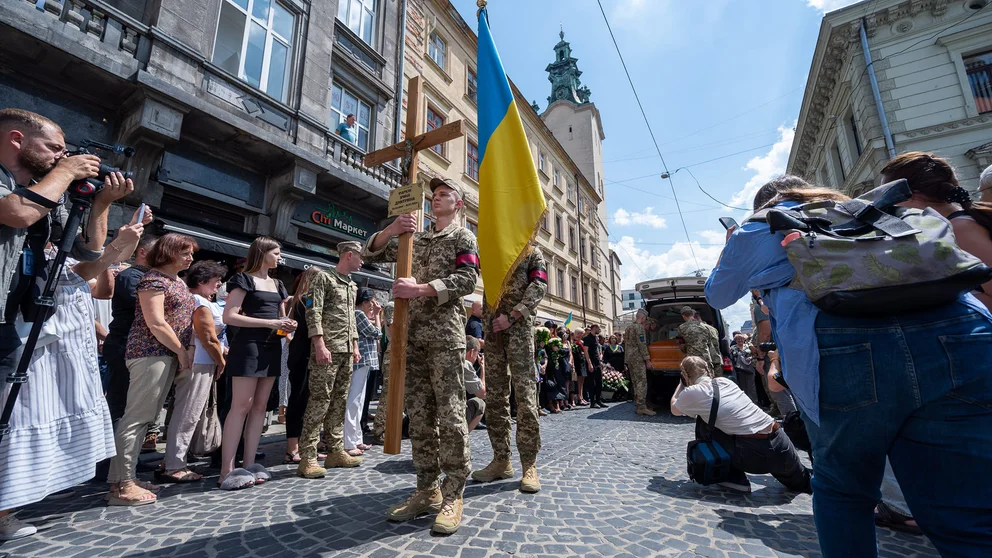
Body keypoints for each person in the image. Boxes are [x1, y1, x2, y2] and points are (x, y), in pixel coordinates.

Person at [705, 174, 992, 557]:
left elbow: (717, 294)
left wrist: (732, 245)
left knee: (844, 488)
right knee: (963, 509)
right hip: (962, 334)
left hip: (846, 348)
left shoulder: (760, 227)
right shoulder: (873, 208)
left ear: (765, 203)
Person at [0, 210, 144, 539]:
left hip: (65, 352)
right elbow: (84, 272)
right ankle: (4, 510)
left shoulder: (65, 257)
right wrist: (114, 244)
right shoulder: (36, 254)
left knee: (42, 420)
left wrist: (115, 249)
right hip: (39, 352)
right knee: (20, 420)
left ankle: (25, 496)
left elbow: (101, 288)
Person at [363, 177, 480, 534]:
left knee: (451, 414)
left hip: (444, 336)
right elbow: (374, 253)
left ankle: (453, 493)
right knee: (420, 417)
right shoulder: (416, 237)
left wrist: (420, 289)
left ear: (457, 205)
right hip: (410, 336)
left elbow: (467, 278)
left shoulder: (463, 237)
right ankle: (426, 488)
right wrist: (393, 228)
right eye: (434, 195)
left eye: (445, 195)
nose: (437, 199)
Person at [107, 233, 197, 505]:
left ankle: (125, 479)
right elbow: (156, 322)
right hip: (150, 354)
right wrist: (181, 351)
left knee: (144, 418)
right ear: (169, 252)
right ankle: (122, 484)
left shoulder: (175, 281)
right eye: (186, 252)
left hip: (163, 355)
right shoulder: (153, 280)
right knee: (135, 418)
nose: (191, 258)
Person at [672, 356, 811, 494]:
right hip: (779, 440)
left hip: (753, 452)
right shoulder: (725, 382)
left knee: (704, 422)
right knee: (807, 483)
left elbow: (674, 408)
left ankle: (733, 478)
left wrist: (681, 384)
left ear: (685, 374)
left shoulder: (692, 392)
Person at [219, 237, 295, 490]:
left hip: (272, 346)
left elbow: (280, 318)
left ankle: (250, 464)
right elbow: (229, 316)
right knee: (241, 406)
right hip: (248, 346)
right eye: (276, 252)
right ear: (262, 253)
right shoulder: (242, 279)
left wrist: (287, 326)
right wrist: (271, 324)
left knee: (260, 407)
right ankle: (226, 471)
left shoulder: (277, 283)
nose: (279, 257)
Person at [471, 246, 547, 492]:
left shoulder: (532, 252)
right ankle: (501, 459)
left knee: (525, 397)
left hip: (519, 331)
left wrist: (513, 316)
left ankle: (529, 465)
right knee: (495, 398)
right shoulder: (493, 247)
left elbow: (539, 286)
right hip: (493, 331)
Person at [881, 152, 992, 310]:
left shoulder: (960, 229)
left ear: (913, 195)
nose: (888, 207)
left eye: (889, 197)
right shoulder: (958, 223)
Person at [296, 242, 364, 478]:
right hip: (327, 350)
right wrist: (319, 344)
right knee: (320, 401)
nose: (362, 261)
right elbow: (313, 311)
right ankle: (308, 457)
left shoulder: (352, 285)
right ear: (348, 255)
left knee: (339, 401)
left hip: (345, 350)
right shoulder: (324, 279)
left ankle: (335, 450)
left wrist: (354, 344)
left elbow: (351, 319)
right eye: (359, 257)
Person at [158, 261, 228, 483]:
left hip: (196, 360)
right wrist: (221, 360)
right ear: (202, 281)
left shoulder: (196, 300)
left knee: (185, 412)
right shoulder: (198, 302)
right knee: (188, 413)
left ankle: (173, 460)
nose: (218, 285)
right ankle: (174, 464)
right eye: (215, 281)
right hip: (199, 361)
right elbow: (207, 336)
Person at [283, 266, 322, 465]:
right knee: (299, 400)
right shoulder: (307, 299)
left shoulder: (300, 299)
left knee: (306, 400)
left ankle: (304, 444)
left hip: (302, 352)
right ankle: (292, 448)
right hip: (304, 354)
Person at [344, 288, 381, 456]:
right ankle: (349, 440)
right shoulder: (359, 314)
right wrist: (378, 317)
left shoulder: (360, 315)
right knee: (354, 401)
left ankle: (356, 438)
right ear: (365, 302)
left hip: (364, 362)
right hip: (360, 361)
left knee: (359, 402)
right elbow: (376, 333)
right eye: (372, 302)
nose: (373, 306)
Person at [624, 309, 655, 415]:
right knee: (642, 382)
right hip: (638, 358)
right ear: (643, 318)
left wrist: (626, 360)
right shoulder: (639, 328)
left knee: (635, 382)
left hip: (630, 358)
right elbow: (642, 345)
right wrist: (647, 360)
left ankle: (638, 405)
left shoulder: (628, 327)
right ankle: (641, 406)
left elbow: (626, 344)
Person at [371, 301, 394, 444]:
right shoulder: (393, 305)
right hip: (393, 355)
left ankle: (393, 427)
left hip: (405, 354)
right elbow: (392, 327)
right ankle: (380, 429)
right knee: (388, 395)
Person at [677, 307, 717, 374]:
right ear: (692, 314)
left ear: (683, 316)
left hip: (692, 359)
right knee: (708, 378)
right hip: (706, 358)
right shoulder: (706, 327)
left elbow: (682, 345)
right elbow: (712, 345)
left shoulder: (681, 328)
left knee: (693, 378)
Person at [463, 336, 487, 432]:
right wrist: (482, 368)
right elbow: (482, 394)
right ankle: (463, 436)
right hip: (451, 414)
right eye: (478, 353)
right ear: (472, 352)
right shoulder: (465, 364)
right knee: (479, 403)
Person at [582, 325, 607, 408]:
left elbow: (597, 351)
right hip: (591, 362)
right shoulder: (587, 338)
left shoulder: (596, 338)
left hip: (597, 362)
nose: (599, 330)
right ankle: (592, 402)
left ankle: (598, 400)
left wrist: (600, 362)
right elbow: (586, 351)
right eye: (598, 328)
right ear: (594, 328)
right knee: (591, 382)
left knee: (599, 382)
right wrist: (589, 363)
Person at [729, 334, 758, 404]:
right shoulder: (732, 348)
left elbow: (756, 354)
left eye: (741, 339)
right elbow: (730, 358)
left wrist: (751, 358)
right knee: (742, 387)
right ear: (735, 340)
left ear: (744, 339)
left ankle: (754, 403)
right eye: (738, 339)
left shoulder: (749, 346)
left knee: (751, 387)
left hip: (749, 369)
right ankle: (744, 403)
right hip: (739, 370)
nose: (740, 340)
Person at [571, 329, 590, 406]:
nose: (581, 335)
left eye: (582, 333)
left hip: (582, 362)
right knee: (578, 381)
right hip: (577, 362)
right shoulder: (573, 342)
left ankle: (581, 397)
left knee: (582, 381)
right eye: (580, 333)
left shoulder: (581, 342)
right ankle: (579, 398)